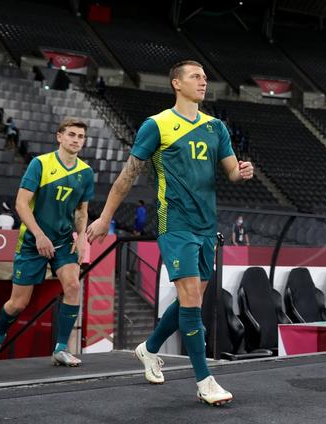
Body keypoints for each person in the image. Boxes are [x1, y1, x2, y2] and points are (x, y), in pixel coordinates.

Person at [86, 60, 254, 406]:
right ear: (176, 83)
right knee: (191, 297)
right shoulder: (157, 125)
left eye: (206, 77)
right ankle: (204, 380)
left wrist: (243, 171)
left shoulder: (216, 127)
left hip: (207, 225)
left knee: (190, 299)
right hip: (174, 222)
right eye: (195, 77)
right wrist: (105, 218)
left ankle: (148, 349)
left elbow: (232, 173)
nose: (203, 82)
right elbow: (128, 175)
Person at [0, 118, 94, 366]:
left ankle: (61, 348)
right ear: (59, 137)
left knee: (73, 286)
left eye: (81, 137)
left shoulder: (86, 173)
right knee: (18, 303)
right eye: (72, 135)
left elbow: (81, 211)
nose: (76, 140)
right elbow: (21, 204)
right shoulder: (40, 164)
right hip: (33, 241)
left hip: (64, 240)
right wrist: (40, 234)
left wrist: (82, 238)